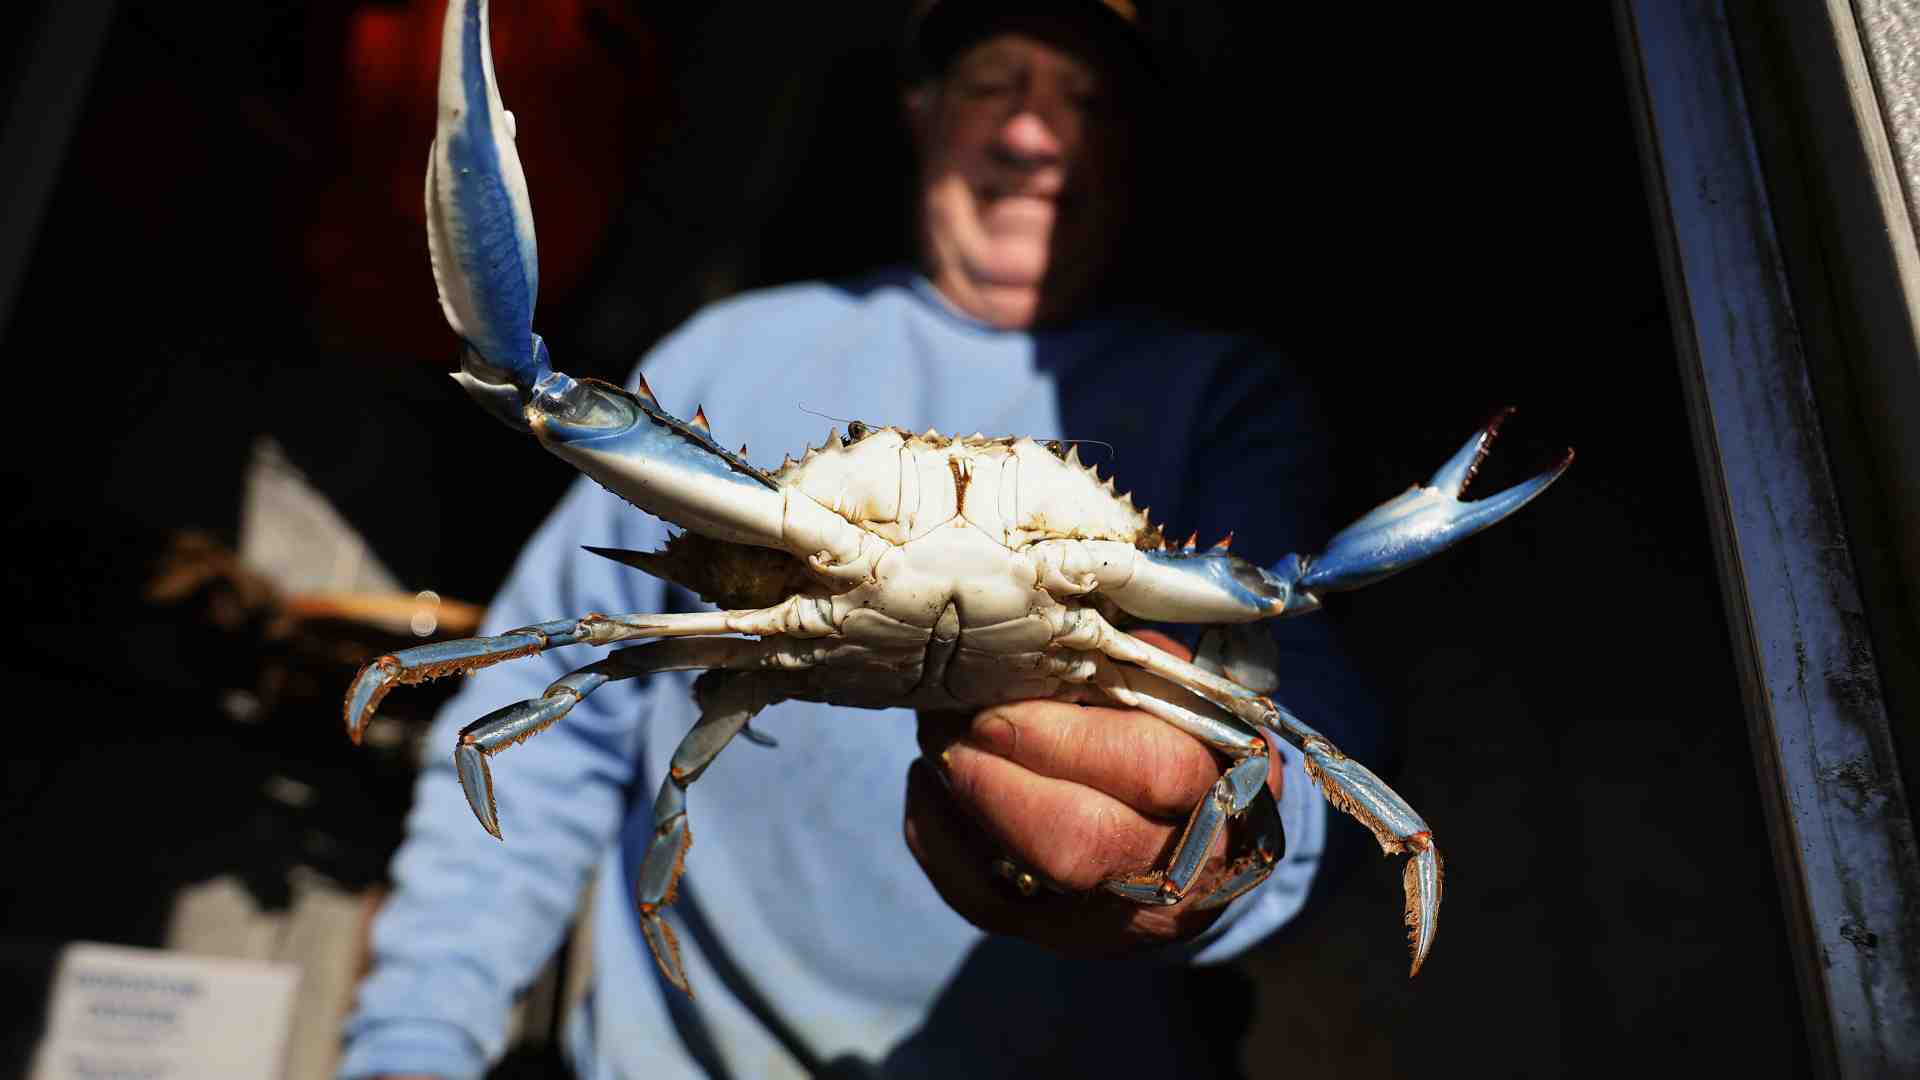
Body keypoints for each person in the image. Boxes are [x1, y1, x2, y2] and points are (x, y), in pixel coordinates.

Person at [341, 2, 1379, 1076]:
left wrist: (1235, 855)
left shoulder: (1224, 398)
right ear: (920, 111)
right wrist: (413, 1039)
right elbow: (553, 706)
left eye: (1085, 100)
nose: (1034, 135)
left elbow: (1298, 680)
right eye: (995, 84)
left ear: (1133, 145)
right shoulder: (724, 359)